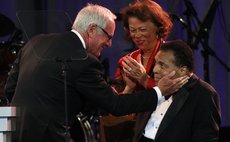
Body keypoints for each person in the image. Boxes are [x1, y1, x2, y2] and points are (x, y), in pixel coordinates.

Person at [4, 4, 189, 142]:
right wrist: (158, 90)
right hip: (48, 135)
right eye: (108, 37)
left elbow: (9, 90)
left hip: (9, 131)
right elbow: (114, 105)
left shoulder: (36, 42)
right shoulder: (85, 60)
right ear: (92, 29)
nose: (109, 44)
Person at [122, 40, 221, 142]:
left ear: (183, 70)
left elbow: (206, 138)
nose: (155, 69)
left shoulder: (204, 94)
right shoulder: (156, 87)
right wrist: (129, 88)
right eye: (156, 63)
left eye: (162, 65)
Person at [113, 0, 173, 93]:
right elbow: (117, 103)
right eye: (132, 30)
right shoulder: (126, 62)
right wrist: (129, 88)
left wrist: (144, 79)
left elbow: (177, 92)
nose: (136, 35)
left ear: (158, 27)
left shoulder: (172, 55)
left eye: (142, 29)